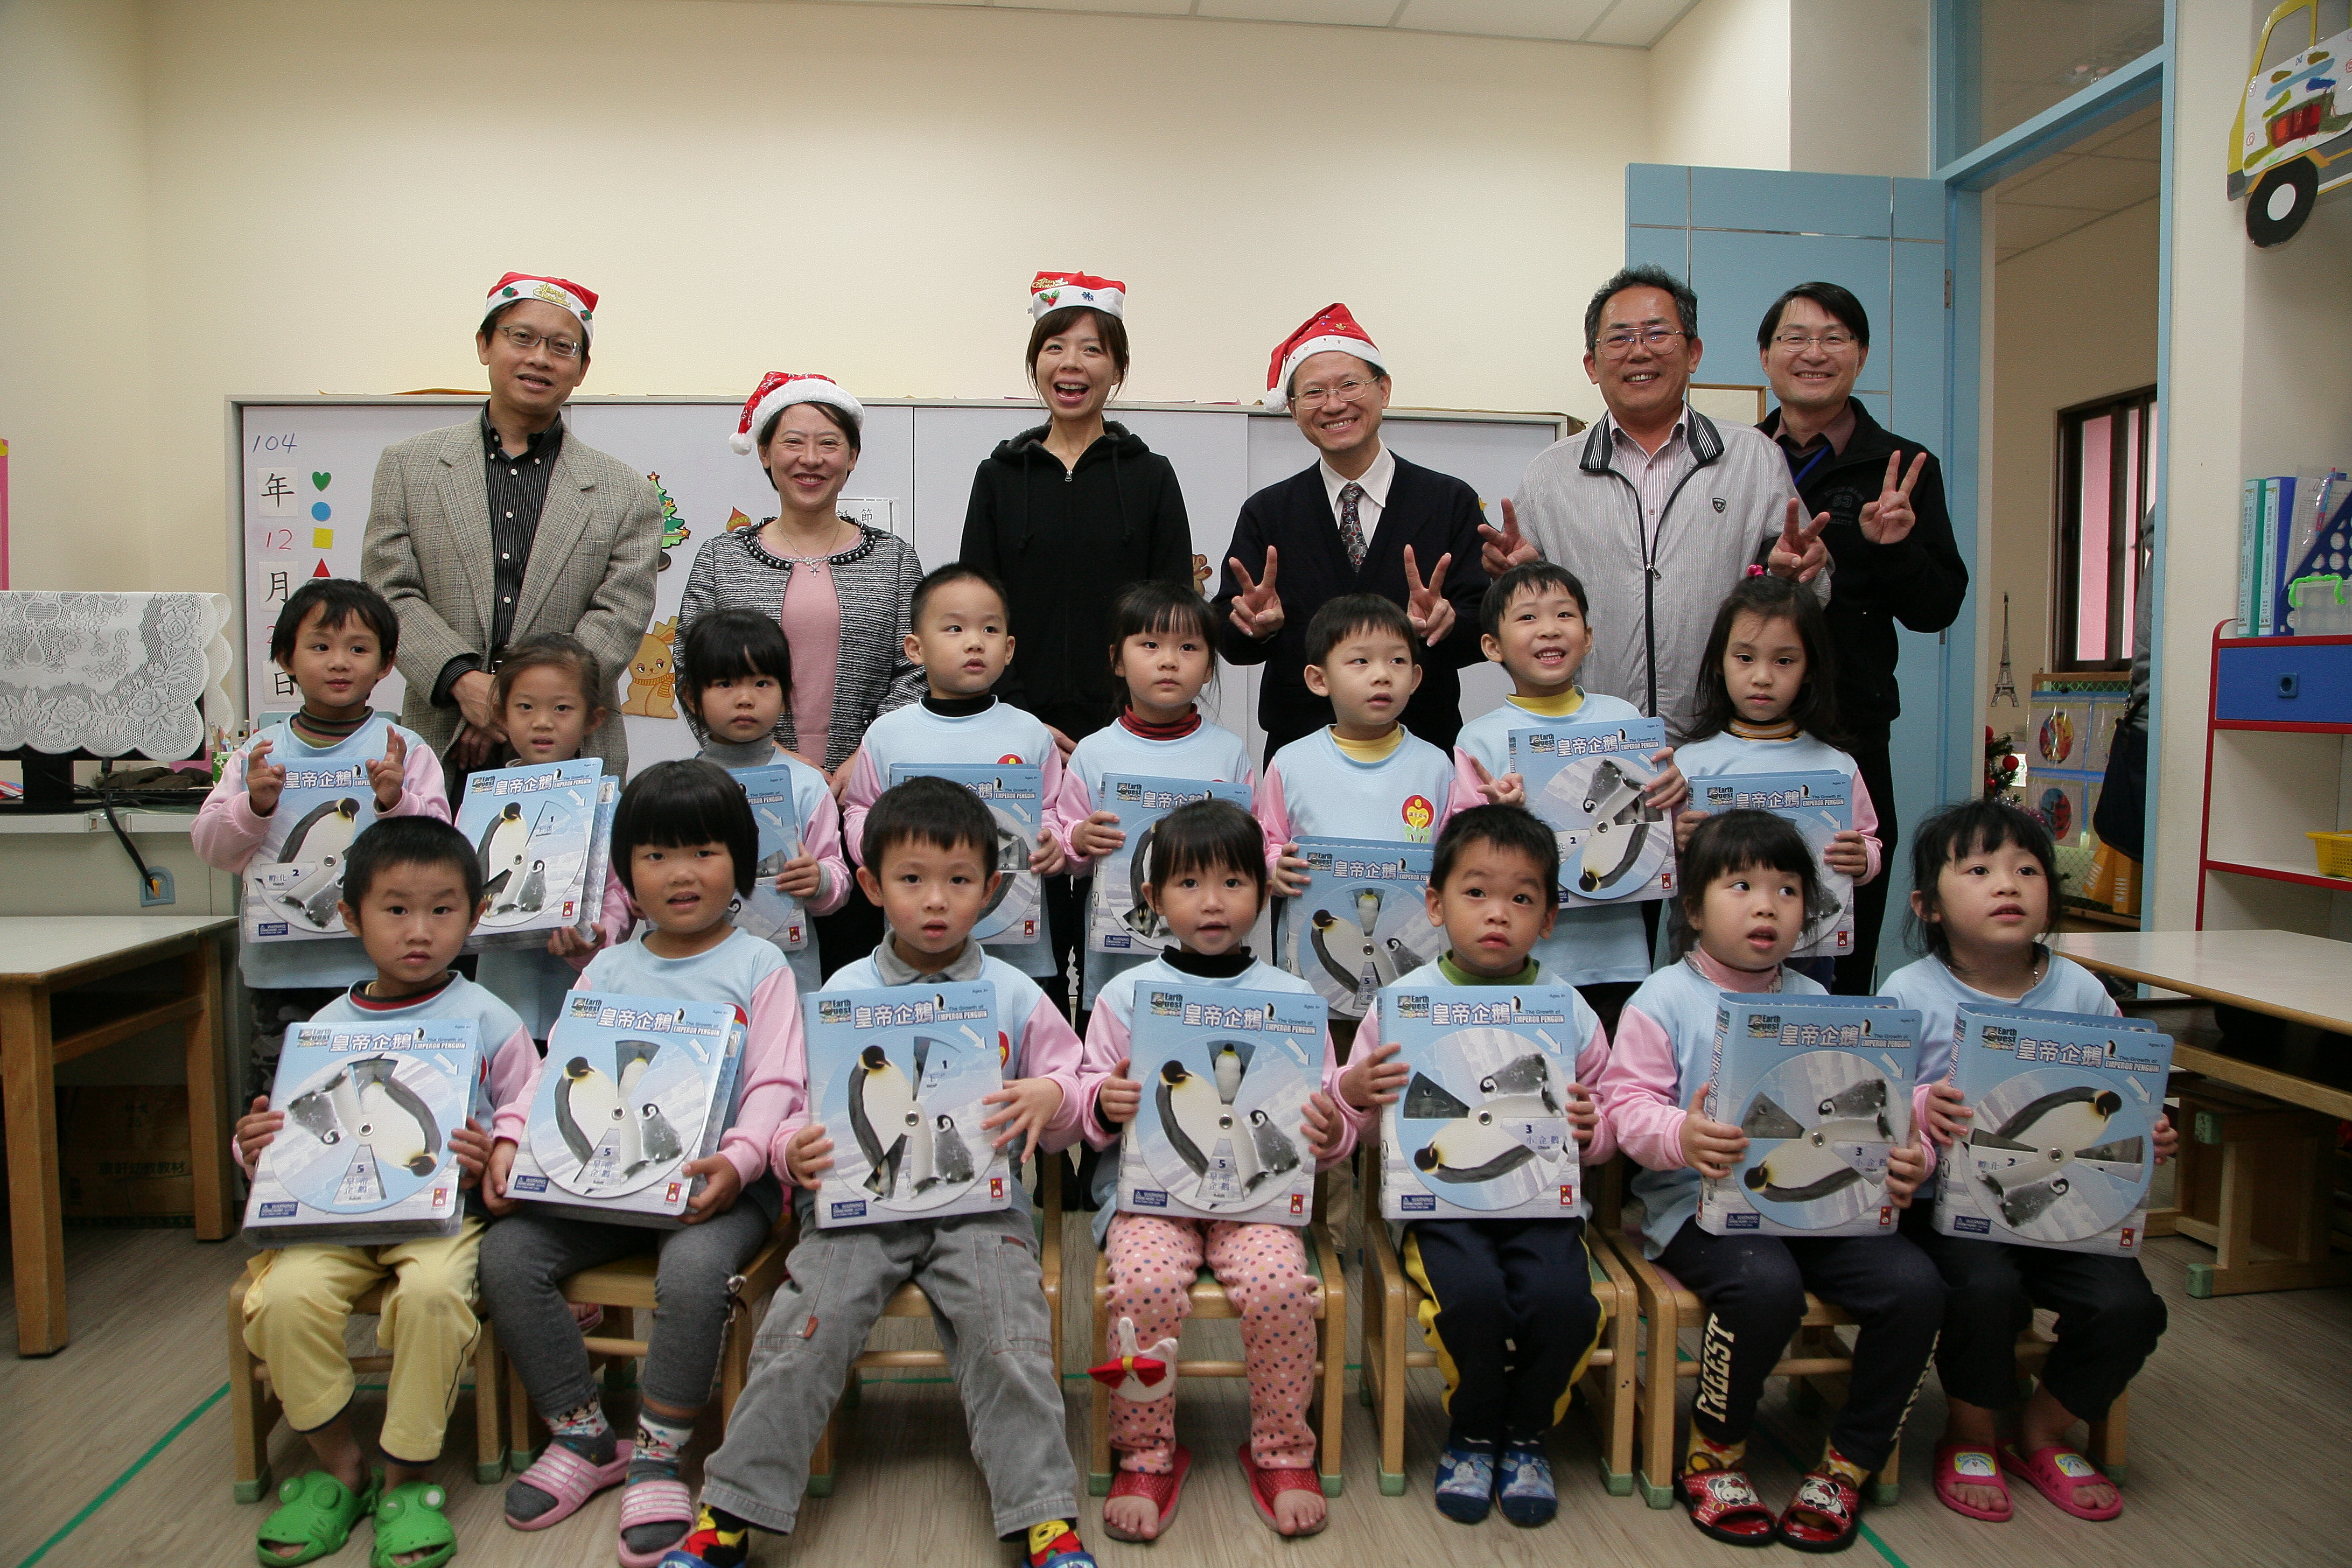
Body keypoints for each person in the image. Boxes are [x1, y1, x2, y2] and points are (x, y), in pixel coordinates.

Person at [666, 776, 1096, 1568]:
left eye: (960, 880)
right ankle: (728, 1511)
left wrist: (1053, 1095)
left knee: (1009, 1333)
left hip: (980, 1211)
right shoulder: (844, 994)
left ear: (992, 890)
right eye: (911, 879)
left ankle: (1045, 1516)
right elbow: (796, 1106)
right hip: (857, 1212)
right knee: (803, 1327)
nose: (936, 900)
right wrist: (791, 1149)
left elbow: (1078, 1100)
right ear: (870, 886)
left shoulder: (1014, 993)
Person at [478, 761, 802, 1567]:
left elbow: (778, 1085)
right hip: (603, 1188)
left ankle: (659, 1452)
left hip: (718, 1191)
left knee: (692, 1274)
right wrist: (513, 1137)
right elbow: (556, 1071)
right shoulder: (609, 967)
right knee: (507, 1254)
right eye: (656, 855)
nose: (681, 874)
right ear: (624, 872)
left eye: (704, 851)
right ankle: (584, 1435)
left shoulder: (759, 966)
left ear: (741, 861)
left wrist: (739, 1160)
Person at [1596, 810, 1942, 1551]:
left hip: (1821, 1203)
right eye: (1742, 886)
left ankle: (1848, 1462)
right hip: (1697, 1208)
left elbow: (1874, 1108)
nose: (1767, 906)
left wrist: (1914, 1150)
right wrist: (1682, 1135)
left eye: (1788, 890)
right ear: (1693, 909)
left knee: (1916, 1286)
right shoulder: (1663, 998)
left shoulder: (1819, 1002)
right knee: (1764, 1285)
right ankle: (1715, 1450)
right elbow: (1624, 1110)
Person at [234, 818, 536, 1568]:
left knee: (433, 1296)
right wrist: (255, 1149)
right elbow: (297, 1135)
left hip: (442, 1221)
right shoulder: (324, 1028)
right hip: (331, 1227)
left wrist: (496, 1151)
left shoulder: (490, 1018)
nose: (420, 931)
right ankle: (340, 1464)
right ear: (350, 915)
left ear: (476, 914)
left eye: (443, 910)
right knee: (283, 1299)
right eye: (396, 909)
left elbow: (527, 1117)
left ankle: (406, 1473)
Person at [1884, 798, 2173, 1525]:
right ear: (1928, 906)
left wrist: (2149, 1132)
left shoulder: (2081, 989)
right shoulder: (1909, 992)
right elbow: (1881, 1109)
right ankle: (1971, 1429)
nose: (2007, 884)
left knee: (2130, 1307)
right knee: (1984, 1291)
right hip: (1948, 1212)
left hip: (2070, 1210)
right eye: (1979, 871)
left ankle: (2043, 1428)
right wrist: (1922, 1108)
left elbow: (2127, 1092)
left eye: (2027, 870)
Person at [1077, 799, 1354, 1541]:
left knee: (1279, 1288)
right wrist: (1102, 1100)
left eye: (1233, 882)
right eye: (1189, 883)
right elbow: (1083, 1101)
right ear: (1152, 896)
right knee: (1142, 1287)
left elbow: (1330, 1114)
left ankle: (1282, 1450)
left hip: (1257, 1203)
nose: (1212, 902)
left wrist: (1333, 1129)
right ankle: (1145, 1451)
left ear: (1263, 893)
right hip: (1152, 1200)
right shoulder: (1124, 996)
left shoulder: (1293, 1000)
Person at [1342, 804, 1612, 1529]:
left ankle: (1526, 1434)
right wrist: (1355, 1091)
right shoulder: (1402, 1004)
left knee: (1565, 1303)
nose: (1498, 913)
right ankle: (1474, 1430)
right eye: (1476, 892)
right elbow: (1356, 1129)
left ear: (1548, 918)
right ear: (1436, 904)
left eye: (1521, 897)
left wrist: (1596, 1127)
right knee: (1473, 1298)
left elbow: (1608, 1115)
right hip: (1442, 1211)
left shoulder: (1568, 1009)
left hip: (1543, 1205)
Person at [960, 274, 1196, 1017]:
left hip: (1126, 738)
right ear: (1036, 363)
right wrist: (1020, 716)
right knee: (1021, 942)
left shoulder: (1150, 476)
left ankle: (1106, 1072)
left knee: (1124, 942)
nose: (1072, 363)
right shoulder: (999, 476)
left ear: (1117, 368)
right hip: (1019, 738)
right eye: (1056, 346)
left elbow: (1170, 612)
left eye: (1092, 349)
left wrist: (1129, 718)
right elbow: (976, 609)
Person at [1478, 265, 1829, 745]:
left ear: (1694, 353)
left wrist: (1799, 576)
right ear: (1592, 364)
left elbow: (1810, 601)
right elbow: (1521, 618)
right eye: (1619, 338)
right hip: (1594, 743)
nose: (1639, 351)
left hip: (1723, 741)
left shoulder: (1753, 458)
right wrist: (1511, 579)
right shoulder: (1551, 473)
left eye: (1658, 334)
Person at [1755, 281, 1969, 991]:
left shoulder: (1901, 467)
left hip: (1852, 732)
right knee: (1737, 922)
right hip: (1745, 729)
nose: (1813, 353)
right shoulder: (1734, 460)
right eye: (1795, 338)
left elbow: (1937, 608)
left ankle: (1837, 1057)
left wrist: (1894, 549)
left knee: (1843, 930)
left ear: (1862, 354)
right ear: (1766, 356)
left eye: (1834, 338)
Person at [363, 273, 661, 777]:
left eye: (562, 347)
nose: (540, 358)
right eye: (521, 337)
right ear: (485, 345)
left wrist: (514, 705)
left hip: (572, 748)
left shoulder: (626, 491)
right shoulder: (408, 467)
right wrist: (463, 682)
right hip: (440, 736)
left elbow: (619, 616)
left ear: (582, 369)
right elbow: (389, 591)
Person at [193, 579, 451, 1096]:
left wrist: (396, 802)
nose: (339, 663)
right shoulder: (260, 753)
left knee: (379, 1102)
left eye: (358, 649)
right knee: (286, 1108)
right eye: (320, 647)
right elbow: (213, 849)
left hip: (385, 968)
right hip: (285, 973)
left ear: (386, 664)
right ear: (286, 659)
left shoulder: (403, 749)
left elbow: (443, 856)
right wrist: (254, 805)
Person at [1214, 303, 1489, 759]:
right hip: (1302, 753)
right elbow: (1229, 634)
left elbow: (1489, 625)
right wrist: (1254, 629)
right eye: (1314, 392)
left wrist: (1449, 624)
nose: (1334, 404)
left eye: (1349, 385)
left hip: (1424, 749)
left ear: (1384, 389)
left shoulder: (1448, 501)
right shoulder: (1268, 512)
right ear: (1294, 410)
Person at [1444, 562, 1688, 1037]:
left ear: (1588, 636)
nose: (1550, 629)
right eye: (1528, 617)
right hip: (1523, 955)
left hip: (1619, 953)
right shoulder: (1480, 738)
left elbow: (1655, 833)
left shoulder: (1623, 718)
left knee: (1608, 1073)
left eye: (1564, 615)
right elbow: (1459, 847)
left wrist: (1674, 796)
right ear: (1492, 646)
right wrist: (1498, 819)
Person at [839, 565, 1077, 999]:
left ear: (1009, 649)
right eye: (954, 628)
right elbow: (860, 809)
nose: (974, 642)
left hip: (1016, 944)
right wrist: (874, 846)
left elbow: (1051, 811)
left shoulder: (1029, 732)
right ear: (916, 648)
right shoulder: (888, 734)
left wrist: (1054, 844)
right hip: (917, 940)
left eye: (990, 630)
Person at [681, 372, 925, 781]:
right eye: (793, 442)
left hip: (870, 780)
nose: (811, 459)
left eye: (829, 443)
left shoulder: (894, 558)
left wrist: (866, 760)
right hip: (753, 779)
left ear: (852, 456)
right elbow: (691, 670)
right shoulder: (721, 557)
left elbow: (916, 669)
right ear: (764, 453)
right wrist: (772, 759)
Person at [1255, 595, 1459, 1037]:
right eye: (1361, 661)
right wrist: (1274, 868)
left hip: (1412, 976)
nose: (1382, 675)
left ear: (1416, 677)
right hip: (1312, 975)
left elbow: (1455, 856)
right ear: (1319, 679)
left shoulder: (1436, 766)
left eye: (1398, 661)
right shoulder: (1291, 764)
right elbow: (1266, 841)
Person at [1669, 575, 1882, 986]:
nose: (1763, 677)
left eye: (1784, 661)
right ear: (1719, 662)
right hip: (1707, 956)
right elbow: (1663, 867)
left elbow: (1868, 841)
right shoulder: (1690, 764)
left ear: (1810, 669)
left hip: (1807, 949)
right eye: (1745, 658)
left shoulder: (1836, 766)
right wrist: (1677, 845)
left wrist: (1864, 859)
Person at [1063, 582, 1256, 1014]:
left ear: (1209, 667)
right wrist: (1078, 839)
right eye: (1150, 645)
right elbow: (1065, 848)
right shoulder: (1094, 752)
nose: (1169, 661)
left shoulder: (1228, 753)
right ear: (1117, 660)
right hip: (1115, 966)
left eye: (1189, 647)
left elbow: (1251, 848)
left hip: (1208, 960)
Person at [675, 608, 852, 993]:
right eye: (725, 684)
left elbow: (837, 880)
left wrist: (819, 880)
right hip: (697, 979)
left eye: (762, 683)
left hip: (786, 976)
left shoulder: (806, 785)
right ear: (692, 697)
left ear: (786, 696)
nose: (745, 699)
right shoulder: (676, 790)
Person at [471, 634, 634, 1045]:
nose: (542, 722)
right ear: (501, 715)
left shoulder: (608, 801)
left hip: (578, 988)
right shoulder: (484, 802)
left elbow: (620, 892)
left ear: (593, 719)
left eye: (562, 708)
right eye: (525, 707)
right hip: (502, 986)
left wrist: (594, 938)